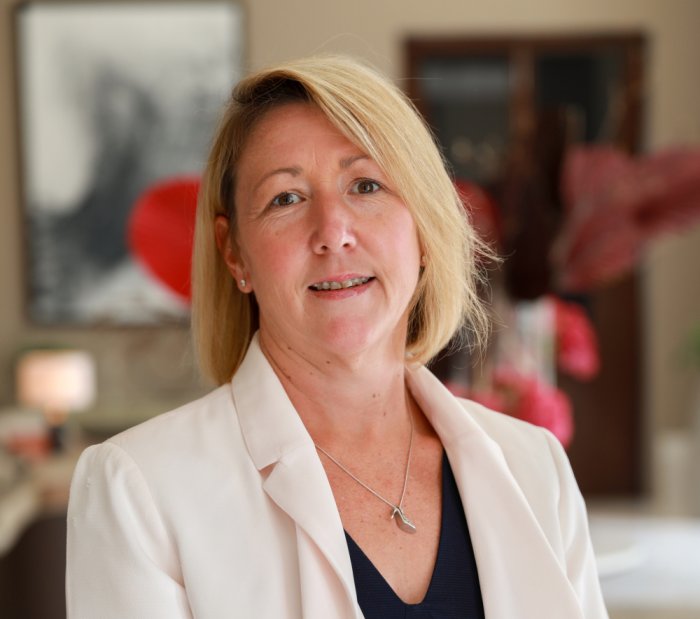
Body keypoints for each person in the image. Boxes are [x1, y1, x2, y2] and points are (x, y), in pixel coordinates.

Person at [66, 55, 609, 619]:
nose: (332, 232)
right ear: (235, 254)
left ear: (424, 229)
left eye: (366, 185)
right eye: (286, 198)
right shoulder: (139, 489)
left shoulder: (534, 467)